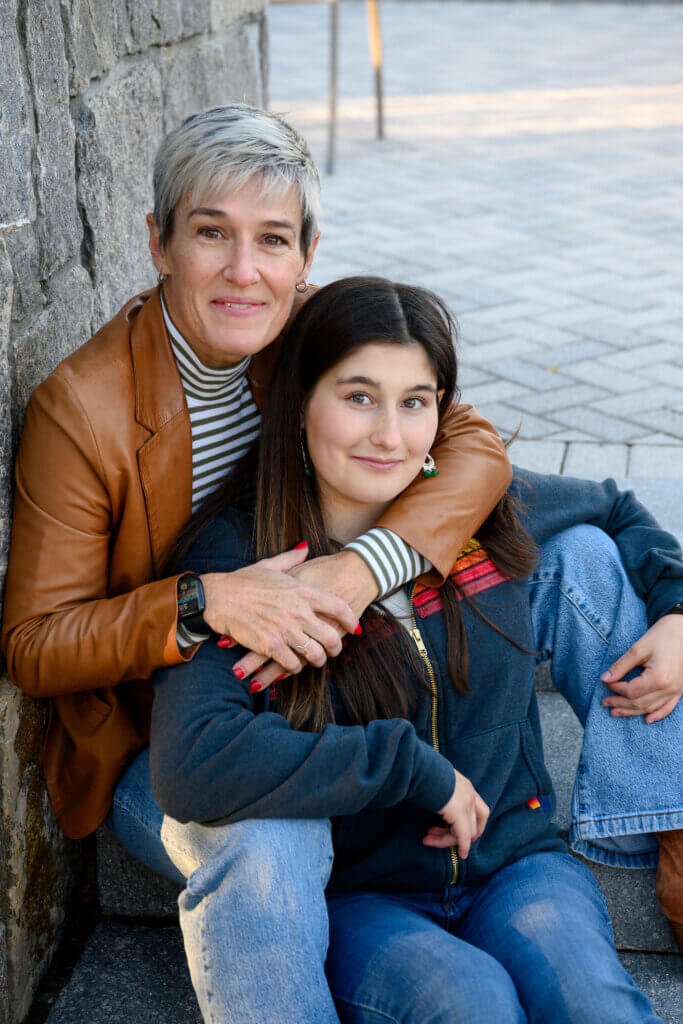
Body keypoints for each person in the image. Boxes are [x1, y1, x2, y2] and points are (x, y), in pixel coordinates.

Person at [1, 106, 515, 1021]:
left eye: (271, 239)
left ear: (305, 252)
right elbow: (37, 643)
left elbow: (472, 445)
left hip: (300, 699)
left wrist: (359, 572)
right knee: (270, 843)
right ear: (158, 243)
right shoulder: (79, 411)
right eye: (211, 234)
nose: (245, 272)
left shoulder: (307, 332)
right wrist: (203, 601)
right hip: (157, 737)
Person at [151, 276, 683, 1023]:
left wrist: (677, 609)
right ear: (300, 400)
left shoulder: (474, 511)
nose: (389, 436)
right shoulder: (246, 560)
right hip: (366, 895)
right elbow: (192, 762)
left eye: (415, 401)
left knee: (595, 1004)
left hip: (515, 862)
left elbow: (618, 509)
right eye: (358, 396)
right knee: (472, 1003)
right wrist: (406, 767)